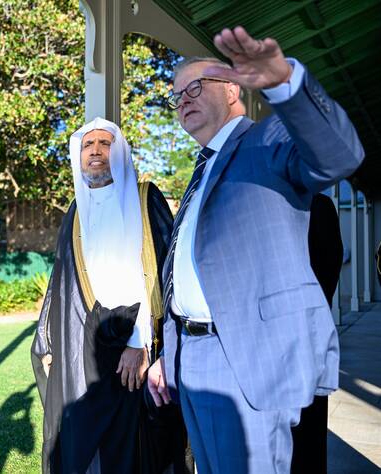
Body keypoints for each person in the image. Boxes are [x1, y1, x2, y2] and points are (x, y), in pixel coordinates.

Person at [147, 26, 364, 473]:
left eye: (194, 88)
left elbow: (339, 156)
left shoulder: (266, 141)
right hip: (190, 355)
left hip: (245, 359)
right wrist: (170, 353)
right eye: (176, 96)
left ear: (232, 89)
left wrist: (286, 84)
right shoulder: (202, 171)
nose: (183, 101)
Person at [31, 118, 177, 473]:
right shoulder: (75, 212)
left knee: (135, 449)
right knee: (84, 444)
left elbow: (165, 274)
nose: (95, 151)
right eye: (87, 145)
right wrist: (48, 342)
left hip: (136, 347)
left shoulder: (145, 199)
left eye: (105, 143)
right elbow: (61, 284)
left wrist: (140, 343)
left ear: (120, 151)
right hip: (87, 346)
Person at [290, 192, 343, 473]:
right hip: (305, 338)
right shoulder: (319, 205)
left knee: (306, 439)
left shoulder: (318, 206)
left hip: (305, 341)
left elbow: (327, 272)